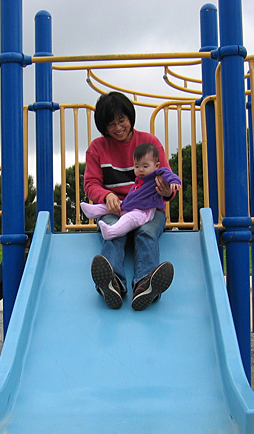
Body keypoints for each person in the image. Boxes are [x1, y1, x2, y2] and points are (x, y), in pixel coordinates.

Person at [84, 91, 177, 311]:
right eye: (111, 124)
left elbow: (168, 180)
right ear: (103, 127)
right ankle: (113, 283)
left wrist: (166, 193)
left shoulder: (149, 143)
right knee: (114, 232)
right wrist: (106, 195)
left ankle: (145, 283)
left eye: (121, 120)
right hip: (115, 208)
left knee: (146, 233)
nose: (118, 128)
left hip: (149, 208)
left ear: (130, 117)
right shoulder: (97, 148)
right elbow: (91, 184)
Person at [80, 142, 181, 241]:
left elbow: (169, 175)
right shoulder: (140, 179)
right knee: (114, 205)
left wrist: (174, 182)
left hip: (144, 212)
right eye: (137, 167)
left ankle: (111, 232)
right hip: (130, 205)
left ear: (156, 165)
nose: (140, 170)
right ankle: (93, 211)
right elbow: (91, 183)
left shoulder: (158, 173)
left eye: (145, 166)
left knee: (129, 218)